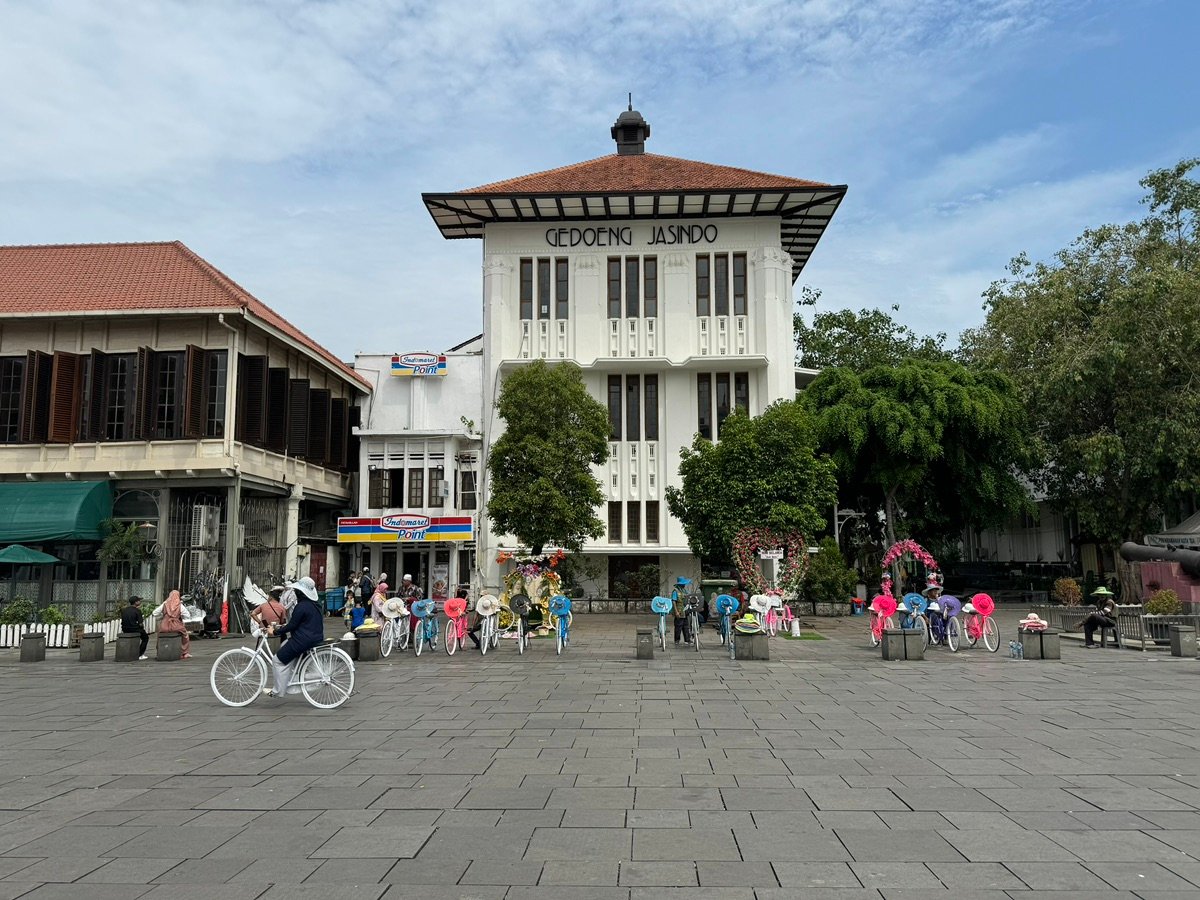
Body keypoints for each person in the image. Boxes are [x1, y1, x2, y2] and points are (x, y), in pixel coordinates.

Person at [266, 576, 325, 696]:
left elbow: (292, 625)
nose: (295, 593)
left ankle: (278, 691)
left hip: (302, 640)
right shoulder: (316, 605)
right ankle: (288, 679)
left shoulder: (301, 606)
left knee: (277, 660)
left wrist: (275, 632)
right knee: (284, 645)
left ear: (300, 593)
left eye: (296, 591)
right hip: (315, 637)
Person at [152, 590, 192, 660]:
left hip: (164, 625)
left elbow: (154, 613)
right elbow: (187, 615)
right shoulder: (180, 605)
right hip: (176, 625)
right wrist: (179, 617)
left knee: (159, 636)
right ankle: (184, 653)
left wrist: (164, 616)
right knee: (185, 635)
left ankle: (159, 652)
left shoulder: (165, 604)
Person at [120, 596, 149, 660]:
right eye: (139, 601)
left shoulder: (124, 610)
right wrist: (142, 628)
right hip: (135, 629)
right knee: (145, 638)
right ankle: (140, 654)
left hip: (125, 629)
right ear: (136, 602)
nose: (140, 602)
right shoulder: (137, 611)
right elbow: (140, 623)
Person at [671, 577, 692, 645]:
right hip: (679, 610)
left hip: (685, 610)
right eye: (683, 584)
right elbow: (674, 601)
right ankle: (677, 640)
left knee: (686, 626)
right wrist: (676, 611)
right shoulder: (675, 591)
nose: (684, 585)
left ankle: (687, 639)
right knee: (678, 626)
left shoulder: (684, 590)